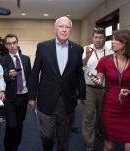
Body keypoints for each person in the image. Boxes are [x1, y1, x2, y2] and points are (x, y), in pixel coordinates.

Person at [28, 16, 86, 151]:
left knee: (64, 136)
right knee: (47, 136)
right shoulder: (43, 47)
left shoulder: (77, 49)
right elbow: (35, 73)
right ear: (55, 29)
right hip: (46, 99)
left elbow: (79, 74)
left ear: (70, 30)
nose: (64, 30)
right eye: (61, 26)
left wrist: (81, 94)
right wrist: (32, 96)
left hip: (67, 100)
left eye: (67, 27)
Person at [91, 29, 130, 151]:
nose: (112, 42)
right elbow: (99, 81)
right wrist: (97, 81)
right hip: (108, 108)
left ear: (125, 43)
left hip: (128, 109)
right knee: (109, 146)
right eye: (113, 39)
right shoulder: (104, 60)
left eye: (116, 40)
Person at [82, 27, 113, 151]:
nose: (98, 40)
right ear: (92, 37)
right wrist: (87, 57)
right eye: (96, 37)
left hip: (106, 89)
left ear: (105, 38)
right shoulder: (86, 49)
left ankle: (99, 131)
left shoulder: (111, 50)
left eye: (101, 37)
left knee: (102, 116)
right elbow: (81, 65)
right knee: (88, 116)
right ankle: (89, 145)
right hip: (89, 88)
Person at [0, 33, 31, 151]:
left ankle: (15, 147)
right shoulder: (2, 60)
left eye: (14, 43)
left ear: (17, 43)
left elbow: (30, 78)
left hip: (24, 97)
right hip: (10, 98)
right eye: (9, 44)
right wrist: (10, 75)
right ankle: (8, 147)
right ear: (6, 46)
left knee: (19, 125)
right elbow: (1, 77)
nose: (12, 46)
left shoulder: (26, 59)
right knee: (11, 125)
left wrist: (32, 97)